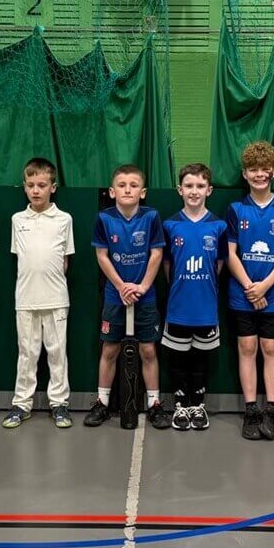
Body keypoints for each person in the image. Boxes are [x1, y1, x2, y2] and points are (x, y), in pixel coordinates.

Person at [85, 164, 168, 429]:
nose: (127, 190)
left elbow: (156, 253)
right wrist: (121, 286)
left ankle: (154, 404)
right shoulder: (104, 218)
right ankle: (102, 403)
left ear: (142, 192)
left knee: (148, 349)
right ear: (112, 192)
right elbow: (102, 256)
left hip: (145, 295)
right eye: (121, 185)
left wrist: (142, 286)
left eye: (133, 185)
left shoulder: (151, 216)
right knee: (110, 348)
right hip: (115, 295)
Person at [224, 141, 274, 441]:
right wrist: (249, 286)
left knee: (270, 348)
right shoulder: (236, 209)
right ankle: (251, 410)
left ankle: (272, 410)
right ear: (245, 174)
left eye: (265, 169)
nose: (259, 174)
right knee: (247, 347)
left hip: (273, 292)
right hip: (242, 292)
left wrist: (265, 285)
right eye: (253, 169)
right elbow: (230, 253)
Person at [2, 158, 75, 429]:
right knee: (27, 353)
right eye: (31, 185)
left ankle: (59, 404)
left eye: (42, 185)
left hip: (56, 299)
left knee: (57, 353)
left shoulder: (64, 219)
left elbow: (65, 260)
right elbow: (20, 258)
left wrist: (51, 284)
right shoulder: (17, 219)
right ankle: (22, 404)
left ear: (52, 187)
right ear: (24, 187)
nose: (36, 190)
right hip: (25, 299)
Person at [161, 163, 227, 431]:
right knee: (178, 359)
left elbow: (219, 264)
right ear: (180, 189)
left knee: (200, 359)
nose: (194, 191)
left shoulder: (219, 225)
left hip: (206, 308)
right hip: (178, 306)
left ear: (209, 190)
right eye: (189, 186)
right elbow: (167, 265)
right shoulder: (170, 225)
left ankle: (198, 405)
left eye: (200, 186)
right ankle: (181, 405)